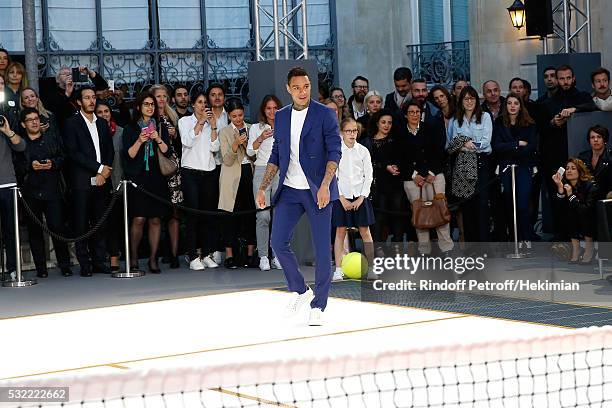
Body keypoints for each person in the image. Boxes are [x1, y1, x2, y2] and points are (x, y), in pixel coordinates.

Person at [256, 66, 341, 326]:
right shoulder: (280, 117)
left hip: (318, 189)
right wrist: (262, 187)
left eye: (306, 87)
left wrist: (326, 184)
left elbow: (334, 152)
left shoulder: (325, 114)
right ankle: (301, 290)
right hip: (290, 189)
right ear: (288, 89)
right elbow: (276, 156)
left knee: (322, 250)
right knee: (278, 241)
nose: (302, 92)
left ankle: (319, 305)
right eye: (297, 88)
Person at [14, 108, 72, 278]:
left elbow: (63, 157)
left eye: (36, 118)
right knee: (34, 230)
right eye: (30, 120)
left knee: (57, 228)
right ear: (24, 124)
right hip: (30, 192)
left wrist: (52, 164)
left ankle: (65, 265)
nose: (34, 122)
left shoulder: (51, 138)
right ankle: (41, 268)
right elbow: (16, 166)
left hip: (52, 190)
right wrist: (30, 166)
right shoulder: (20, 143)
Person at [63, 86, 114, 277]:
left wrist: (105, 171)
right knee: (81, 224)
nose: (91, 101)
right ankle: (85, 264)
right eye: (87, 98)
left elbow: (109, 150)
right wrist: (99, 169)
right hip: (82, 182)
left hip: (102, 180)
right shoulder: (71, 123)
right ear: (79, 102)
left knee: (100, 222)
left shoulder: (101, 123)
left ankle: (100, 261)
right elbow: (74, 153)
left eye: (93, 97)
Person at [122, 92, 171, 273]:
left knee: (156, 219)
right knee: (139, 219)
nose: (150, 107)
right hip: (138, 178)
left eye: (152, 104)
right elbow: (129, 155)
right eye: (146, 104)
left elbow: (167, 152)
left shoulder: (160, 125)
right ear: (138, 107)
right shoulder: (130, 128)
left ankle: (153, 259)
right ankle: (133, 257)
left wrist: (157, 138)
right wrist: (140, 140)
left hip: (156, 178)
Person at [397, 101, 453, 255]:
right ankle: (424, 250)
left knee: (440, 209)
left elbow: (440, 151)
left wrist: (432, 172)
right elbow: (400, 157)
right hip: (412, 179)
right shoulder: (400, 132)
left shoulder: (431, 128)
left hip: (434, 176)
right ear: (405, 114)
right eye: (411, 112)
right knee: (419, 213)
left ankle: (447, 248)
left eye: (417, 112)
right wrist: (414, 175)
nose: (415, 115)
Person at [178, 91, 220, 270]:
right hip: (190, 172)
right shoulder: (184, 121)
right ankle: (193, 254)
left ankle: (208, 253)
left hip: (209, 171)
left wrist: (214, 127)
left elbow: (215, 147)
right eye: (200, 102)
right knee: (193, 214)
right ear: (193, 105)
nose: (204, 105)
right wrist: (201, 122)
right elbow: (187, 141)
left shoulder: (212, 123)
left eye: (205, 102)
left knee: (208, 215)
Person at [448, 86, 493, 245]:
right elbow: (451, 144)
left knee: (482, 206)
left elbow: (486, 143)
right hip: (463, 165)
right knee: (467, 207)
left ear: (477, 100)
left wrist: (465, 143)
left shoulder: (485, 116)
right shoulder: (455, 120)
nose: (469, 102)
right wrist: (462, 144)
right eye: (465, 99)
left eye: (472, 98)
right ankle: (471, 247)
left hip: (481, 163)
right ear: (460, 101)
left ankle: (484, 245)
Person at [493, 93, 538, 248]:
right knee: (510, 204)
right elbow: (497, 146)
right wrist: (517, 144)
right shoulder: (499, 123)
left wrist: (510, 148)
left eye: (516, 103)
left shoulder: (529, 123)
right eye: (509, 103)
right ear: (505, 106)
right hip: (506, 168)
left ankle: (526, 237)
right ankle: (515, 239)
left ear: (520, 106)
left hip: (524, 167)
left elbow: (532, 146)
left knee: (523, 204)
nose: (512, 106)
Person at [332, 117, 374, 280]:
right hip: (341, 197)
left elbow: (368, 176)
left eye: (354, 130)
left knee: (365, 231)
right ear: (342, 132)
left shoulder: (363, 150)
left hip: (360, 197)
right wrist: (341, 198)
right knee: (340, 232)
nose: (352, 134)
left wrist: (361, 197)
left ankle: (371, 268)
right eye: (348, 131)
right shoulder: (336, 151)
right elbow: (334, 176)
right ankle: (338, 269)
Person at [218, 99, 257, 269]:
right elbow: (226, 160)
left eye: (240, 115)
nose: (238, 119)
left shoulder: (251, 128)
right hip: (231, 176)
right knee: (230, 216)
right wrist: (235, 144)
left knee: (250, 214)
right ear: (229, 116)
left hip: (249, 173)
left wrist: (248, 143)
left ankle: (250, 254)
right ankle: (229, 255)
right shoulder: (224, 132)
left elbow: (255, 156)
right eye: (234, 116)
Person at [361, 109, 407, 250]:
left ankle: (397, 246)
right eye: (383, 122)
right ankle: (377, 248)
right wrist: (385, 167)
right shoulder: (367, 142)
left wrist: (396, 167)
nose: (386, 125)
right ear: (377, 123)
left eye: (389, 123)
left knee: (397, 215)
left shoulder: (396, 140)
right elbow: (366, 164)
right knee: (378, 217)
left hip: (395, 183)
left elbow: (404, 160)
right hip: (377, 185)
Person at [247, 95, 283, 271]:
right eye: (269, 108)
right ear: (263, 110)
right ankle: (263, 256)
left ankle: (277, 255)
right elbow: (249, 151)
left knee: (279, 215)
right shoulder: (256, 127)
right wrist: (261, 137)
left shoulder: (285, 125)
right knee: (263, 215)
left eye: (275, 108)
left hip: (280, 171)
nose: (272, 112)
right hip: (261, 171)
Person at [150, 84, 181, 269]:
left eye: (164, 96)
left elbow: (179, 142)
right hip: (155, 168)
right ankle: (159, 253)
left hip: (172, 167)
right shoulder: (149, 116)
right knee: (156, 214)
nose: (161, 99)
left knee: (174, 213)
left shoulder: (173, 115)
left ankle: (175, 253)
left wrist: (174, 134)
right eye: (158, 96)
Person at [95, 100, 124, 272]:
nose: (104, 114)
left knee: (117, 224)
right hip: (100, 185)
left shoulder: (120, 132)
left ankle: (117, 257)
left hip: (120, 184)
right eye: (100, 112)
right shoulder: (94, 133)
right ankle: (103, 258)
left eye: (106, 111)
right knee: (103, 224)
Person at [552, 158, 598, 264]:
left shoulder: (590, 186)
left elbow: (585, 209)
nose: (569, 171)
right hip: (575, 218)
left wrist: (571, 195)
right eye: (567, 168)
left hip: (592, 218)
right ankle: (576, 249)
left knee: (583, 215)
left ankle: (589, 248)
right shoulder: (567, 185)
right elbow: (559, 207)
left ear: (580, 171)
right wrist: (559, 187)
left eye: (573, 168)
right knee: (568, 214)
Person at [0, 106, 26, 280]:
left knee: (11, 230)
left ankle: (12, 268)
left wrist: (7, 131)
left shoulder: (4, 122)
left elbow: (21, 146)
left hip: (7, 184)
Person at [578, 125, 612, 199]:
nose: (595, 140)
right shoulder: (582, 157)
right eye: (592, 137)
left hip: (606, 198)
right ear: (589, 141)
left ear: (604, 140)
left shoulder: (610, 157)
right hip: (587, 198)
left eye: (599, 137)